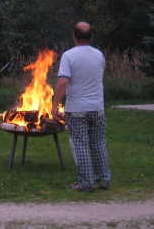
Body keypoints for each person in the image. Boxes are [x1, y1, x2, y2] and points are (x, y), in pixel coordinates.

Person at [52, 21, 111, 193]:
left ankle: (86, 183)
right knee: (99, 143)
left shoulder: (69, 56)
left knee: (80, 144)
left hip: (77, 109)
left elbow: (63, 81)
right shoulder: (99, 55)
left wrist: (55, 105)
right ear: (91, 36)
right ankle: (104, 180)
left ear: (73, 36)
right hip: (98, 108)